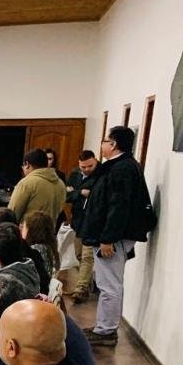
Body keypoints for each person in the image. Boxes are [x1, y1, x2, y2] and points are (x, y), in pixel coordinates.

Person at [79, 125, 155, 347]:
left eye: (105, 141)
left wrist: (108, 238)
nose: (102, 144)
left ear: (113, 144)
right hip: (109, 236)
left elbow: (119, 206)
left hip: (112, 239)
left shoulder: (122, 168)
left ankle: (107, 330)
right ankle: (103, 326)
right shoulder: (118, 166)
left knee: (109, 284)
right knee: (107, 283)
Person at [66, 150, 99, 303]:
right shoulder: (74, 175)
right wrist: (80, 193)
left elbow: (97, 195)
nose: (86, 170)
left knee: (87, 256)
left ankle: (80, 288)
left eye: (90, 166)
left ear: (95, 161)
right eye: (83, 167)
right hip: (78, 220)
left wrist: (75, 192)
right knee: (79, 254)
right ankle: (88, 283)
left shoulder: (101, 175)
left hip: (92, 220)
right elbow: (67, 195)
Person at [8, 147, 67, 223]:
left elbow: (12, 213)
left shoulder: (27, 183)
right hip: (50, 228)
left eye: (23, 166)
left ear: (27, 164)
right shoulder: (61, 184)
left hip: (27, 228)